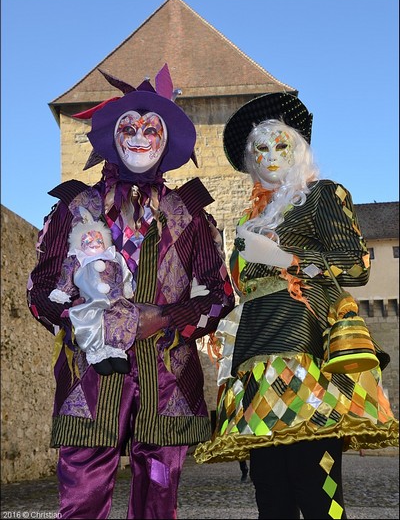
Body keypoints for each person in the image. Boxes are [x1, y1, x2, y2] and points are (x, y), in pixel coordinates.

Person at [27, 63, 235, 519]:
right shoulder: (74, 207)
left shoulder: (190, 215)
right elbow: (40, 290)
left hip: (166, 378)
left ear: (167, 140)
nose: (139, 136)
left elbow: (219, 295)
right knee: (81, 499)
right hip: (89, 377)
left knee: (159, 499)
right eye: (129, 126)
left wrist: (164, 319)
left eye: (151, 128)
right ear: (112, 136)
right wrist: (88, 323)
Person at [194, 93, 399, 520]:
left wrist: (287, 260)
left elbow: (356, 265)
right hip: (254, 360)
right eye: (260, 148)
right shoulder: (249, 223)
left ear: (299, 148)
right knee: (269, 491)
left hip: (306, 355)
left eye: (280, 144)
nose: (270, 155)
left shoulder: (321, 195)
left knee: (317, 484)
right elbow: (246, 288)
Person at [49, 208, 136, 375]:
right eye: (89, 243)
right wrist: (62, 293)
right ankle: (97, 354)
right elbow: (67, 278)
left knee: (121, 319)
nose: (95, 245)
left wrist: (127, 287)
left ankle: (116, 352)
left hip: (116, 300)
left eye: (99, 242)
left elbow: (125, 273)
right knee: (90, 322)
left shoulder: (114, 257)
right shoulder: (77, 262)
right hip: (90, 301)